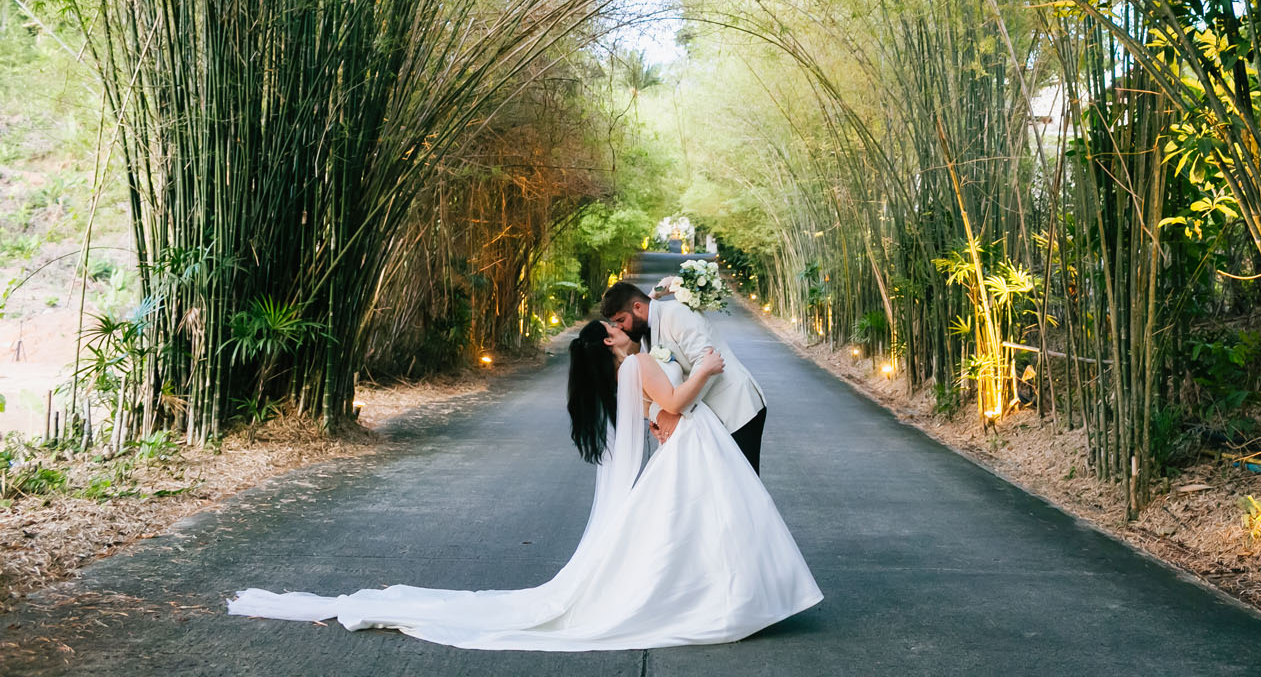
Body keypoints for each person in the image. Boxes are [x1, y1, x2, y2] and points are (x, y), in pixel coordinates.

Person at [226, 320, 821, 650]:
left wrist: (668, 410)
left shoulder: (625, 372)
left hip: (688, 448)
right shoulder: (638, 365)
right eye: (615, 330)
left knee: (697, 528)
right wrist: (707, 371)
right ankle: (734, 600)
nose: (622, 330)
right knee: (709, 525)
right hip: (693, 445)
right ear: (612, 346)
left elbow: (652, 415)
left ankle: (732, 598)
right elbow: (672, 403)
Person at [600, 280, 768, 474]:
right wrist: (659, 416)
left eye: (621, 320)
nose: (620, 327)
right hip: (708, 419)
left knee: (743, 484)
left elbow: (708, 363)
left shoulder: (676, 314)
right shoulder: (643, 333)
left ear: (637, 307)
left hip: (737, 407)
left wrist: (677, 413)